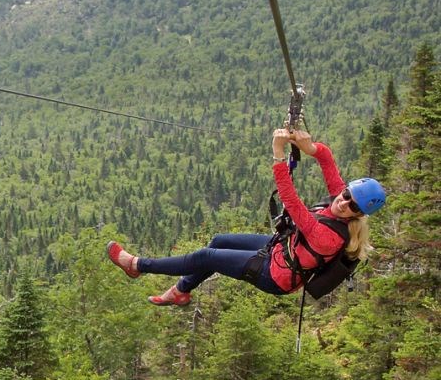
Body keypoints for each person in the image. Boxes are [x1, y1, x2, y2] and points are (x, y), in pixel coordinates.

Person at [107, 128, 386, 305]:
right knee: (218, 241)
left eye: (351, 205)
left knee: (207, 257)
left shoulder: (330, 236)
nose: (342, 201)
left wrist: (279, 157)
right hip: (281, 249)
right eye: (346, 193)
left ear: (358, 215)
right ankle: (181, 291)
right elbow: (328, 162)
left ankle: (138, 265)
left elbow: (292, 202)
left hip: (275, 274)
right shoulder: (343, 203)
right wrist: (311, 149)